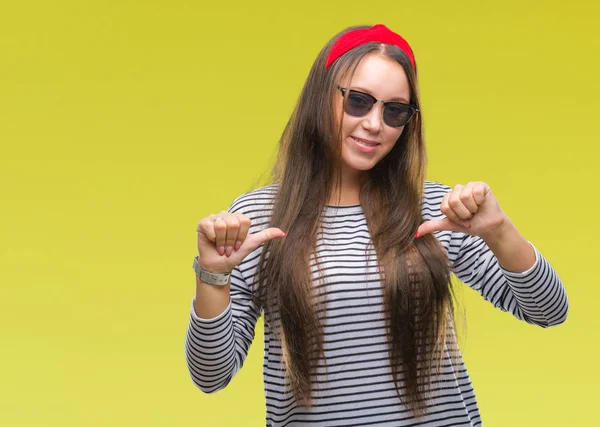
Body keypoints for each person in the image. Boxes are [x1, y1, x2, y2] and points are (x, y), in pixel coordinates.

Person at [184, 24, 569, 426]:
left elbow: (549, 310)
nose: (374, 123)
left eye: (395, 111)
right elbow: (210, 376)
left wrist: (499, 229)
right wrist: (212, 275)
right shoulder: (259, 218)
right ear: (321, 96)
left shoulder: (434, 210)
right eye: (358, 101)